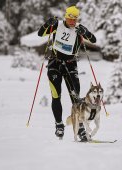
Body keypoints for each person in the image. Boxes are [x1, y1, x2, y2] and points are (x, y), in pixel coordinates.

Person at [38, 6, 96, 141]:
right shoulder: (57, 25)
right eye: (70, 18)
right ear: (66, 16)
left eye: (75, 18)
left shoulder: (78, 28)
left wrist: (85, 32)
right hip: (55, 64)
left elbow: (93, 40)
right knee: (56, 95)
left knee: (76, 99)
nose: (72, 21)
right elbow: (40, 33)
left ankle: (80, 129)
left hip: (70, 65)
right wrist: (47, 23)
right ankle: (59, 125)